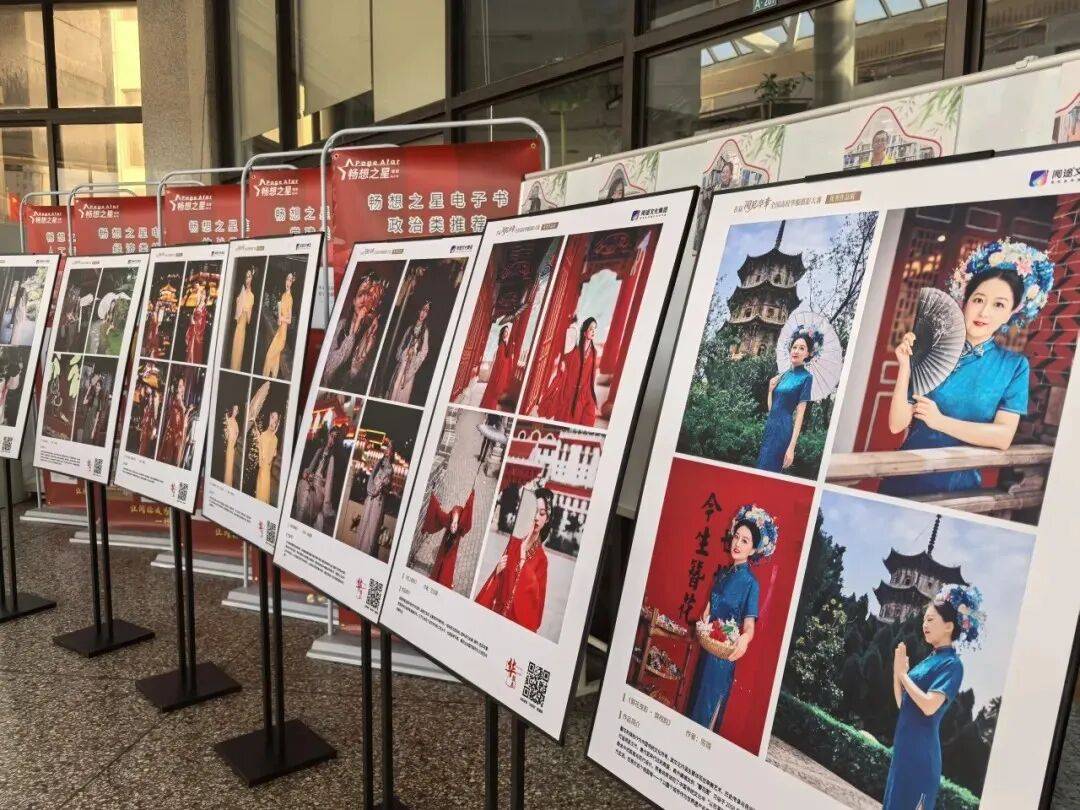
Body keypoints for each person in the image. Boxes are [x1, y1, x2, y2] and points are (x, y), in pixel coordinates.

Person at [882, 239, 1053, 496]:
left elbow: (1002, 437)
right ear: (965, 301)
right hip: (906, 473)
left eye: (999, 305)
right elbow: (896, 425)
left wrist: (940, 421)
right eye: (978, 299)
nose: (984, 312)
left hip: (959, 486)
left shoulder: (1014, 367)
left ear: (1011, 313)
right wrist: (905, 367)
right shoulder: (931, 348)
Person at [885, 584, 983, 810]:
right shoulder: (929, 660)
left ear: (948, 626)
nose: (924, 624)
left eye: (930, 619)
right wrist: (897, 672)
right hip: (902, 754)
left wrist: (903, 675)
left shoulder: (952, 664)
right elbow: (904, 705)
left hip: (920, 758)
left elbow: (929, 706)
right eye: (924, 620)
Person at [687, 504, 777, 733]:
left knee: (706, 711)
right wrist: (703, 623)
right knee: (694, 701)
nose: (737, 543)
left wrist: (744, 639)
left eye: (745, 541)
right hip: (708, 647)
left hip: (723, 656)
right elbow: (708, 610)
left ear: (754, 549)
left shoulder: (751, 584)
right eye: (736, 537)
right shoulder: (723, 574)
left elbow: (749, 625)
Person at [475, 486, 553, 632]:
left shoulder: (541, 560)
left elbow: (536, 609)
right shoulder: (514, 542)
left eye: (542, 513)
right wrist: (497, 572)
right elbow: (496, 582)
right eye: (534, 511)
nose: (536, 517)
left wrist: (523, 557)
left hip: (515, 625)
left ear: (547, 519)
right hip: (496, 617)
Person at [757, 329, 818, 472]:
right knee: (760, 467)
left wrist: (791, 448)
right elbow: (772, 409)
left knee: (770, 470)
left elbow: (800, 415)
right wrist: (770, 390)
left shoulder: (806, 378)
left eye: (802, 348)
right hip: (770, 428)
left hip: (783, 430)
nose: (796, 351)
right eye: (794, 347)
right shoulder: (783, 375)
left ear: (808, 354)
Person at [538, 317, 600, 426]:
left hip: (581, 395)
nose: (593, 331)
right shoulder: (574, 350)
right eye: (591, 328)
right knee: (560, 423)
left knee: (576, 422)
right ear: (584, 331)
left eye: (595, 328)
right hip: (568, 393)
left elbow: (591, 378)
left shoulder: (594, 353)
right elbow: (566, 368)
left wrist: (588, 397)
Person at [325, 276, 374, 387]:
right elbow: (329, 368)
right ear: (353, 301)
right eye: (360, 295)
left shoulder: (368, 333)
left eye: (368, 296)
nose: (363, 300)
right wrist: (354, 330)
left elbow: (357, 374)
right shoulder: (341, 325)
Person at [422, 490, 475, 588]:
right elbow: (440, 512)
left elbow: (463, 513)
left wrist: (455, 520)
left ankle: (444, 579)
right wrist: (454, 520)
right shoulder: (448, 520)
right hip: (447, 543)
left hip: (452, 546)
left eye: (455, 526)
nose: (453, 528)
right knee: (444, 560)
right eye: (453, 526)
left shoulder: (460, 525)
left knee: (448, 563)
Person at [353, 439, 394, 555]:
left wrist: (382, 489)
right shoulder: (378, 463)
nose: (387, 451)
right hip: (371, 497)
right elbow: (371, 478)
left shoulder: (391, 470)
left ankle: (367, 552)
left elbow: (388, 489)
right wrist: (371, 491)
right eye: (387, 448)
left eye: (390, 449)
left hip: (379, 500)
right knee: (364, 523)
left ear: (392, 452)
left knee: (373, 528)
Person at [386, 301, 431, 403]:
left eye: (426, 311)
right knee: (395, 387)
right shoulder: (410, 328)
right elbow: (402, 344)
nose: (423, 313)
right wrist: (403, 354)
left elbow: (424, 351)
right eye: (422, 310)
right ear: (419, 311)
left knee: (402, 392)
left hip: (411, 367)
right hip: (403, 362)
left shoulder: (425, 331)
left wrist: (415, 360)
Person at [262, 272, 294, 378]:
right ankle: (272, 379)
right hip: (280, 330)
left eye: (290, 280)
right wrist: (279, 317)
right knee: (275, 359)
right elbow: (279, 319)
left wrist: (281, 318)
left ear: (292, 282)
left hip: (283, 335)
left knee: (269, 355)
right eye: (287, 279)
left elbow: (289, 320)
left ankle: (265, 377)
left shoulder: (290, 298)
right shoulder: (284, 295)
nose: (288, 282)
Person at [157, 377, 191, 467]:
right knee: (170, 453)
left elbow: (183, 414)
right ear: (177, 388)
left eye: (183, 386)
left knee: (173, 453)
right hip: (174, 430)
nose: (182, 388)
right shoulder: (177, 399)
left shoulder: (181, 399)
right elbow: (177, 417)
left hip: (177, 429)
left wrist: (188, 411)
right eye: (180, 386)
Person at [480, 323, 514, 410]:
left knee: (493, 390)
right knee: (494, 390)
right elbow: (501, 360)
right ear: (502, 333)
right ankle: (489, 406)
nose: (506, 333)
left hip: (497, 370)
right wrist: (509, 359)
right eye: (505, 331)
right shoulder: (502, 344)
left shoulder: (503, 343)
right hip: (498, 370)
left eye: (507, 332)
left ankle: (488, 406)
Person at [230, 267, 256, 370]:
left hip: (242, 328)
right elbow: (236, 314)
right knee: (234, 349)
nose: (247, 279)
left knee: (239, 351)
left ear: (252, 278)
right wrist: (238, 303)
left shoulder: (252, 296)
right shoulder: (242, 292)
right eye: (246, 277)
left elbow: (249, 319)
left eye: (249, 277)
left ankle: (236, 369)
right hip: (238, 326)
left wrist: (245, 309)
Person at [254, 410, 280, 503]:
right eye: (272, 418)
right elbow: (260, 453)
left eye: (276, 421)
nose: (273, 422)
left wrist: (273, 435)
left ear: (277, 424)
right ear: (269, 417)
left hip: (266, 473)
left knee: (263, 497)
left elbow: (269, 459)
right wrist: (258, 439)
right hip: (260, 472)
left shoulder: (275, 439)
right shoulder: (263, 435)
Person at [184, 283, 209, 364]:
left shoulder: (204, 307)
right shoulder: (197, 306)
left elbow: (202, 322)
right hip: (193, 330)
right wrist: (191, 319)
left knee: (194, 350)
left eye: (204, 294)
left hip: (197, 332)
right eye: (201, 293)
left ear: (206, 296)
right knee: (190, 350)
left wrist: (195, 323)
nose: (202, 295)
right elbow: (193, 316)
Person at [137, 386, 158, 458]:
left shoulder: (153, 407)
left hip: (149, 427)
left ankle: (143, 455)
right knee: (143, 442)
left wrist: (154, 429)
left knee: (146, 444)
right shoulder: (147, 405)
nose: (150, 399)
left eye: (151, 398)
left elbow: (154, 417)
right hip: (145, 426)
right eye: (150, 398)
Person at [222, 404, 240, 488]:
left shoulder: (236, 423)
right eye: (234, 409)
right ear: (232, 410)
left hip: (233, 448)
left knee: (231, 468)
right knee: (228, 468)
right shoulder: (228, 420)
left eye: (237, 410)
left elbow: (236, 435)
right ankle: (226, 484)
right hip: (229, 447)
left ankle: (229, 485)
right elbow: (227, 435)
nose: (235, 411)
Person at [0, 360, 22, 426]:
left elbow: (10, 386)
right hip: (6, 395)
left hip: (7, 396)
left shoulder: (13, 378)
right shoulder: (13, 375)